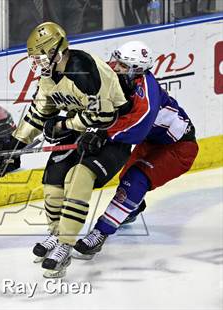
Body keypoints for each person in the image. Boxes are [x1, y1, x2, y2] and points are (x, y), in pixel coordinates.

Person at [0, 22, 134, 278]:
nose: (36, 63)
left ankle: (65, 245)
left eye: (39, 57)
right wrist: (16, 144)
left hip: (111, 135)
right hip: (80, 131)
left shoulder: (85, 71)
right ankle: (57, 232)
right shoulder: (50, 75)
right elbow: (40, 111)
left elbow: (104, 115)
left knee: (78, 177)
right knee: (53, 179)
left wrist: (64, 124)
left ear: (55, 52)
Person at [73, 41, 199, 259]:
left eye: (122, 65)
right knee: (127, 180)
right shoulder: (121, 77)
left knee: (135, 180)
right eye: (116, 60)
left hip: (179, 148)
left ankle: (100, 234)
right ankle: (132, 208)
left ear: (136, 70)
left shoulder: (147, 93)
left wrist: (102, 134)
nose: (115, 66)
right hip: (152, 143)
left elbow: (137, 127)